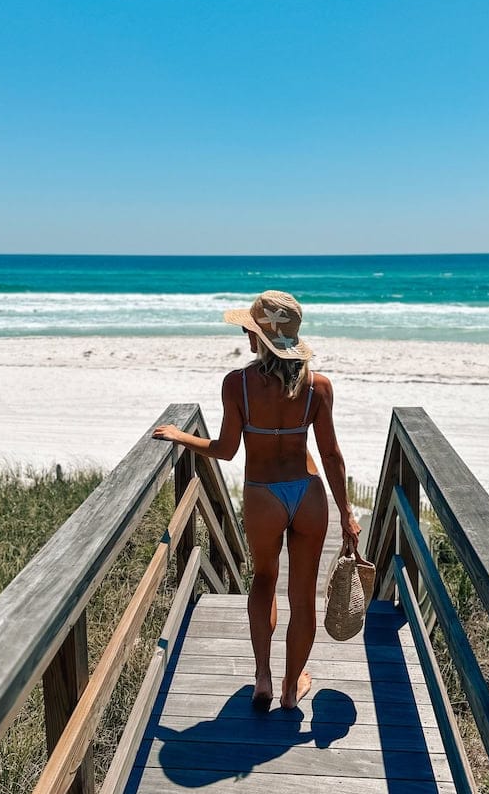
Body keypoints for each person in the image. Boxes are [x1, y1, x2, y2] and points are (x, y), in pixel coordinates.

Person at [152, 290, 362, 710]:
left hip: (263, 494)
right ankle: (290, 689)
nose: (246, 335)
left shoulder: (239, 384)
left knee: (264, 580)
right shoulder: (317, 386)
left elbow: (226, 449)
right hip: (308, 493)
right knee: (303, 596)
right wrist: (346, 513)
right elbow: (331, 455)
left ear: (261, 338)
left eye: (250, 330)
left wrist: (180, 436)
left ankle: (263, 676)